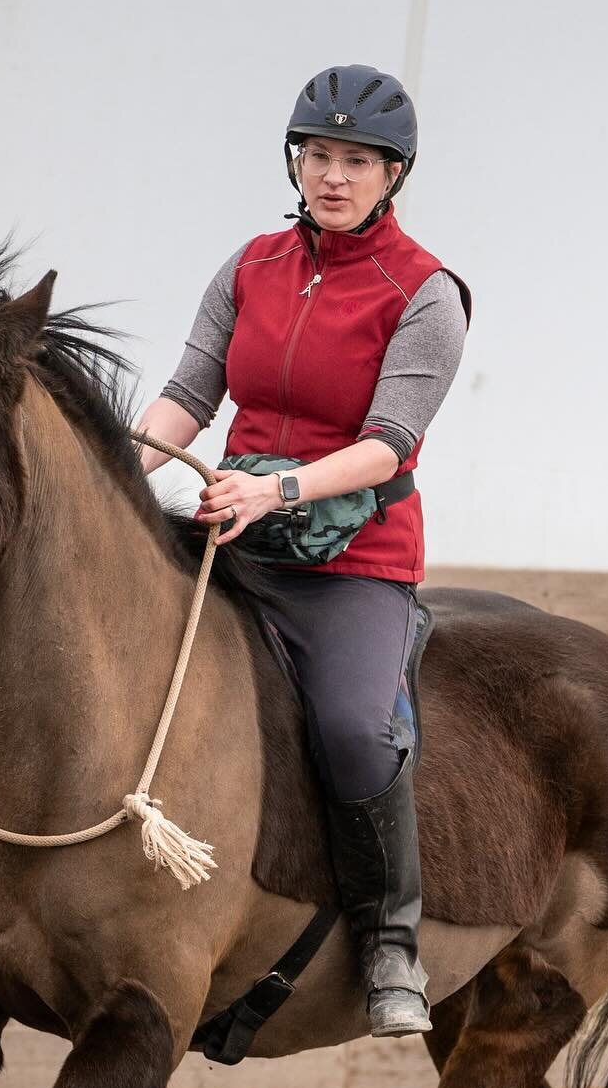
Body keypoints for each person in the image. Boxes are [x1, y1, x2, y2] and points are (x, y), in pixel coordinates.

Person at [136, 64, 470, 1037]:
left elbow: (389, 444)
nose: (332, 175)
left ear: (393, 173)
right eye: (317, 154)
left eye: (356, 160)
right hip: (233, 532)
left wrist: (279, 486)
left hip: (352, 562)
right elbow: (193, 389)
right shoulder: (250, 266)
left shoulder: (426, 294)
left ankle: (390, 940)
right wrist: (128, 454)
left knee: (356, 729)